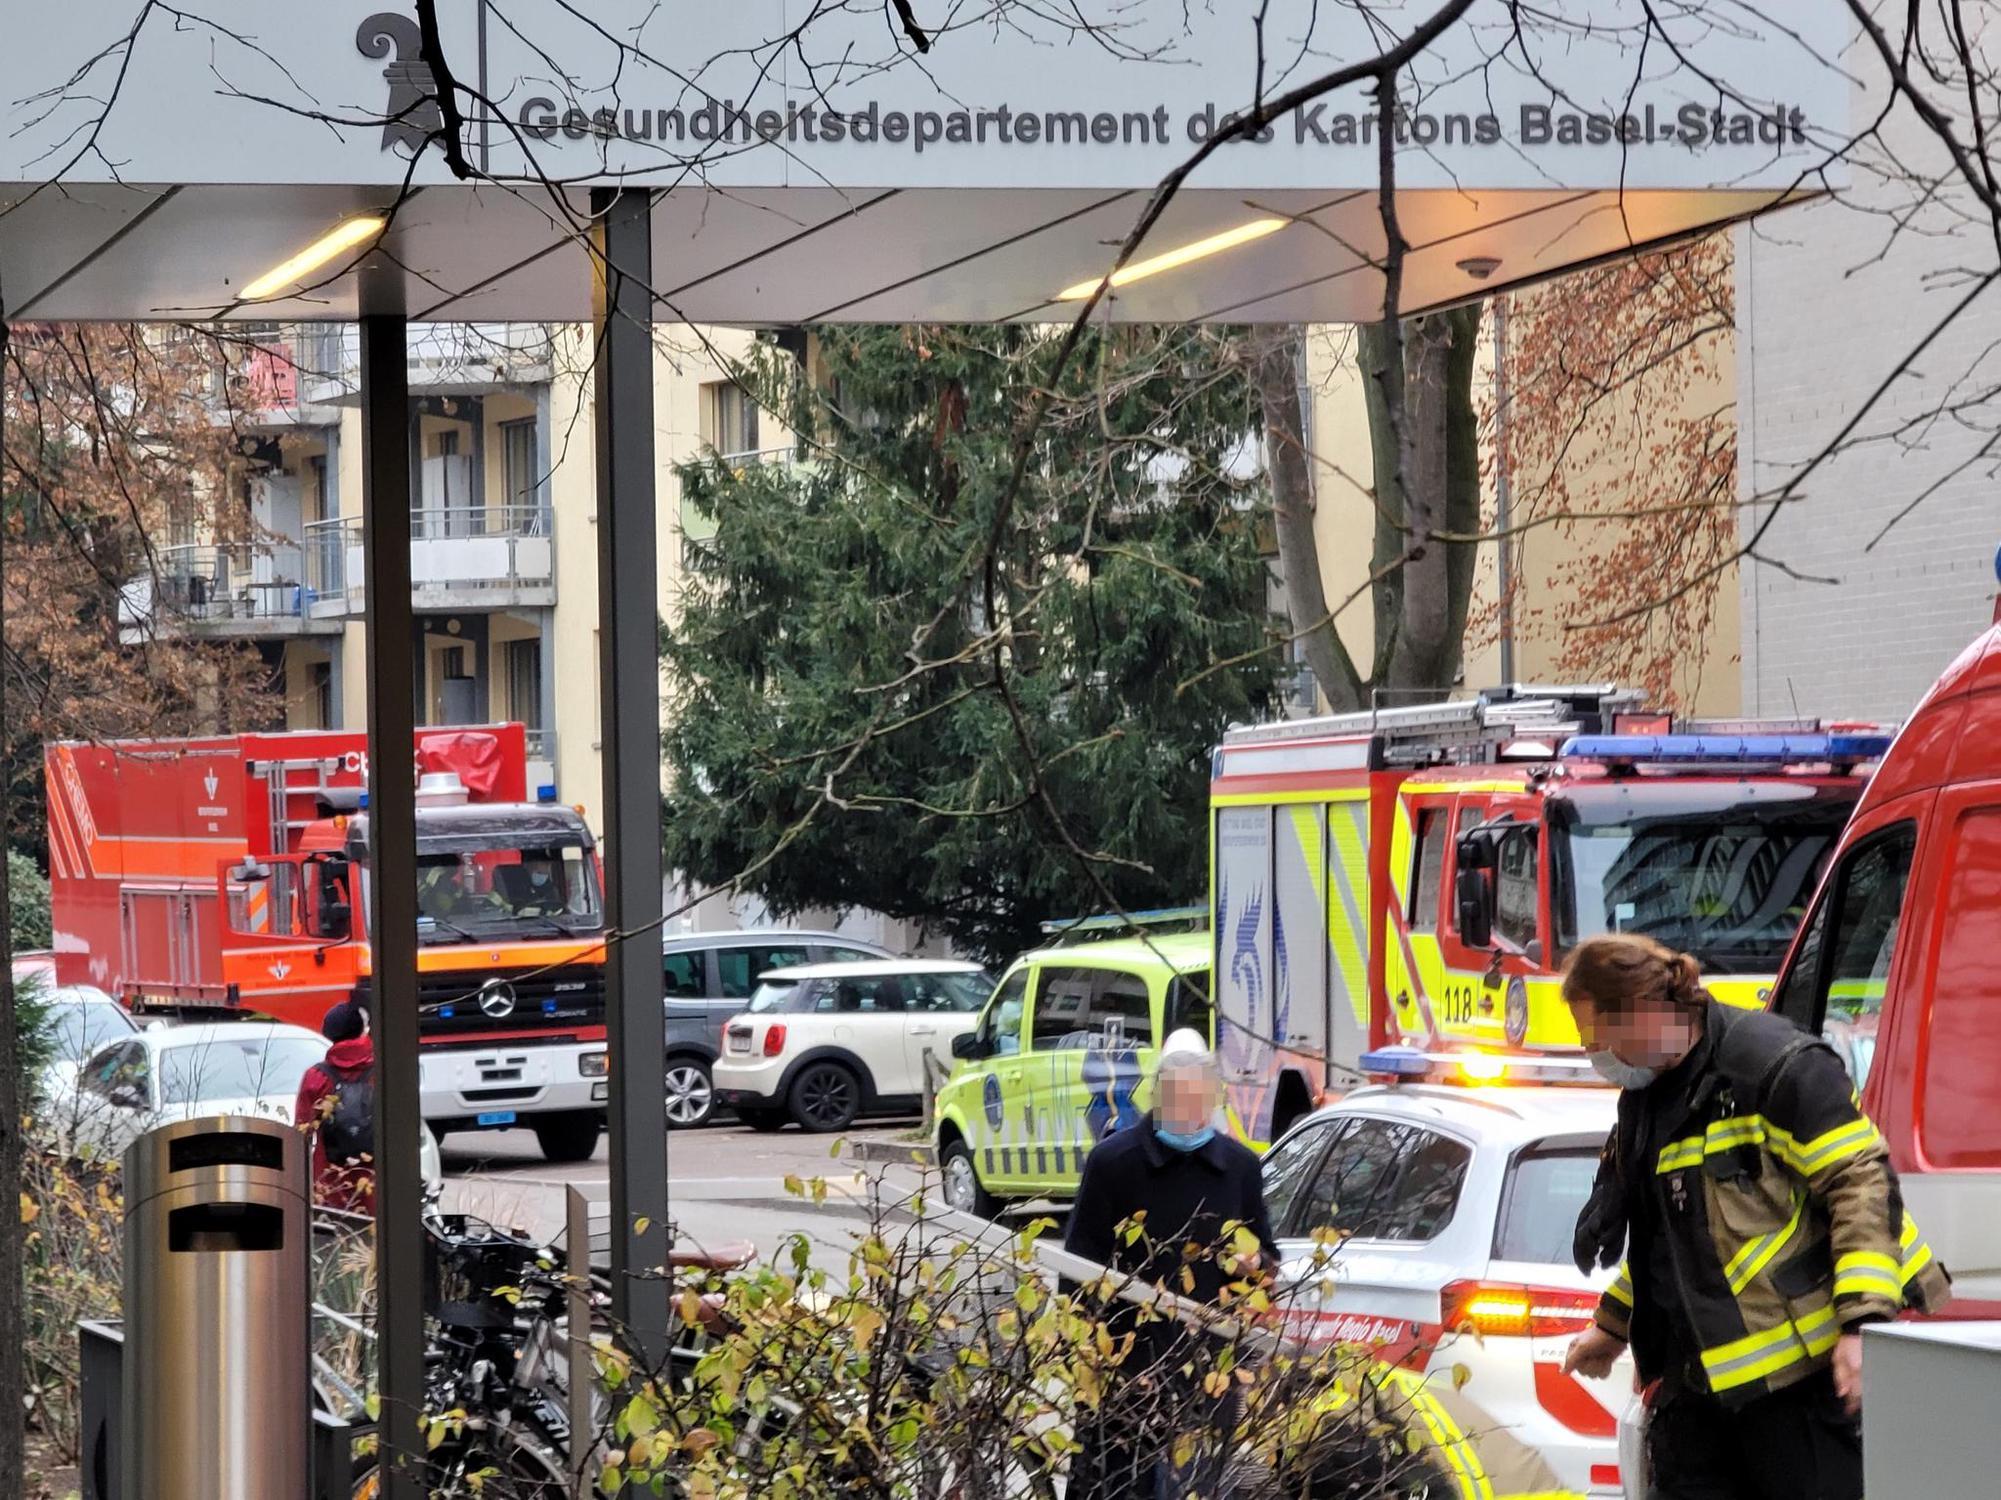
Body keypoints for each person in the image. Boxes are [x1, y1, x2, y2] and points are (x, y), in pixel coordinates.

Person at [1558, 934, 1950, 1500]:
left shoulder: (1774, 1067)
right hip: (1701, 1393)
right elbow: (1673, 1235)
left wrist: (1863, 1327)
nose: (1594, 1054)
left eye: (1597, 1037)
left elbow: (1860, 1184)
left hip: (1804, 1382)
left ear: (1643, 1014)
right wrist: (1613, 1326)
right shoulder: (1646, 1098)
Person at [1063, 1039, 1278, 1499]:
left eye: (1198, 1102)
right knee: (1120, 1487)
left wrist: (1256, 1264)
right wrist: (1091, 1360)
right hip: (1125, 1370)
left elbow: (1267, 1262)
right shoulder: (1114, 1163)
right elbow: (1078, 1270)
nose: (1189, 1113)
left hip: (1207, 1373)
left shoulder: (1239, 1167)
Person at [296, 1000, 376, 1213]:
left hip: (331, 1182)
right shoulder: (382, 1071)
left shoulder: (317, 1077)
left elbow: (302, 1131)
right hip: (376, 1182)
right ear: (361, 1030)